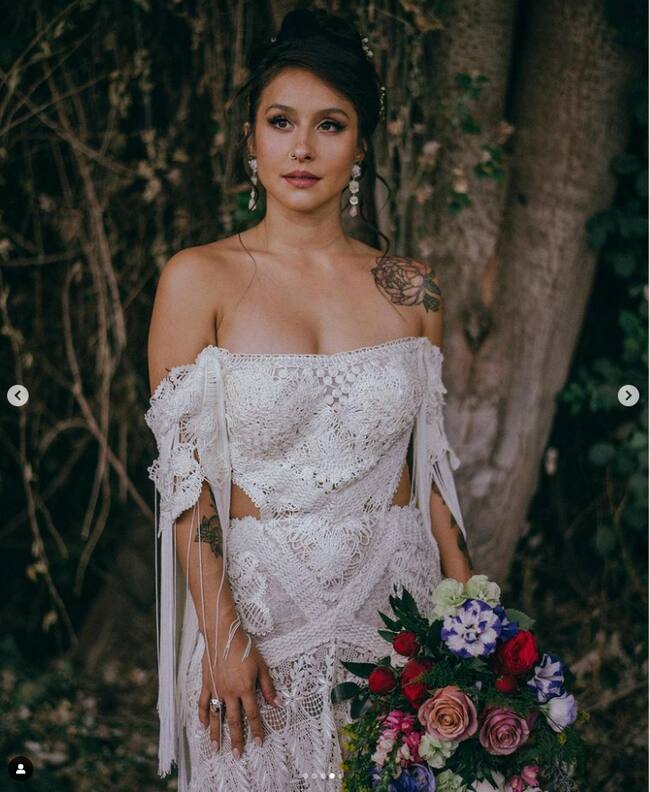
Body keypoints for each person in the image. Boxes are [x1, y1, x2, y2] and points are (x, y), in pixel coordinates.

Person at [144, 8, 475, 791]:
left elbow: (429, 471)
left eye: (330, 125)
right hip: (260, 633)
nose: (302, 148)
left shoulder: (413, 287)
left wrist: (475, 629)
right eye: (281, 122)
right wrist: (223, 633)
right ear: (251, 139)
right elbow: (184, 482)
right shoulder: (198, 278)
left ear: (360, 146)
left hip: (400, 624)